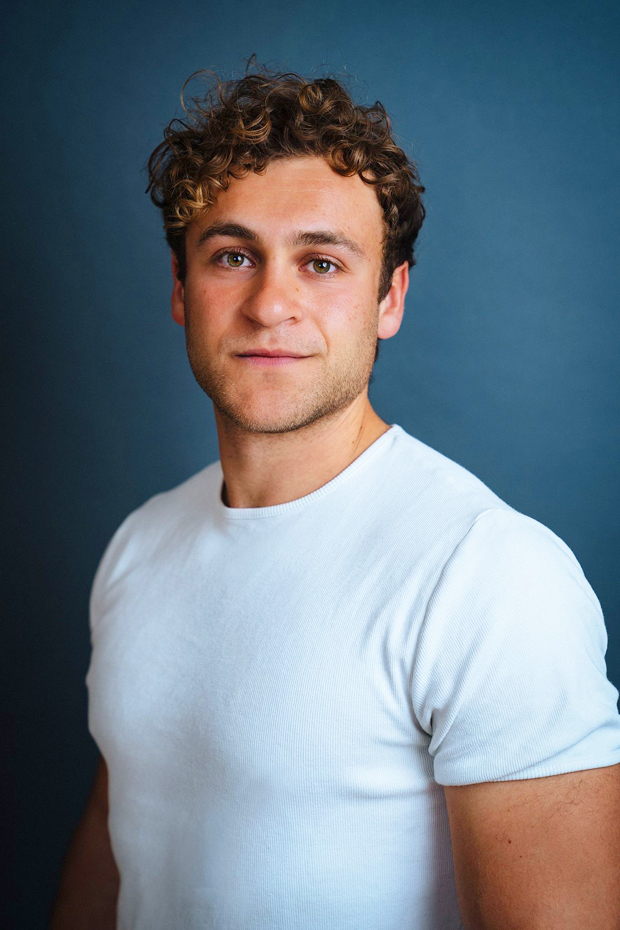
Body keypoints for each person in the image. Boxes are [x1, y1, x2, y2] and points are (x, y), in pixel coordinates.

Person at [50, 63, 620, 930]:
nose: (270, 304)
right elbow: (123, 828)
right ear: (180, 288)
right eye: (233, 256)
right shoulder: (139, 545)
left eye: (321, 262)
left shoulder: (492, 576)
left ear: (389, 298)